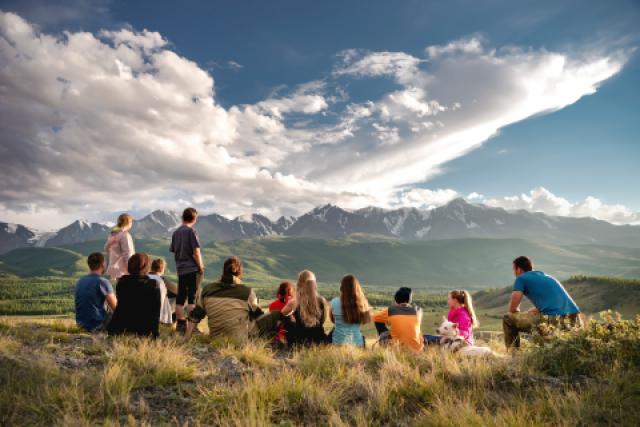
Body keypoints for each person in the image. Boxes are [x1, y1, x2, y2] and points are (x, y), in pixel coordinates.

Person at [186, 257, 283, 340]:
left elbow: (195, 316)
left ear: (223, 271)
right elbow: (258, 314)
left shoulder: (207, 290)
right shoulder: (247, 292)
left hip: (216, 338)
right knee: (277, 315)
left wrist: (186, 339)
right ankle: (262, 344)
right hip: (241, 338)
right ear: (240, 273)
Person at [503, 256, 582, 349]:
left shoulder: (521, 278)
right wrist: (528, 313)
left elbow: (513, 309)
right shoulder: (547, 277)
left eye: (514, 270)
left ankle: (513, 356)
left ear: (519, 270)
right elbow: (549, 306)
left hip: (554, 320)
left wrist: (519, 316)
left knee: (508, 318)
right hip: (576, 321)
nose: (514, 273)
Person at [107, 253, 162, 338]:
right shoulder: (153, 284)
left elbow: (120, 308)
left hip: (121, 329)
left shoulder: (122, 282)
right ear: (146, 267)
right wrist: (154, 334)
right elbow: (155, 312)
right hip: (145, 330)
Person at [170, 207, 205, 334]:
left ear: (182, 217)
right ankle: (191, 327)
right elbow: (196, 251)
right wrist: (200, 266)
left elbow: (174, 253)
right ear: (194, 219)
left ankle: (180, 325)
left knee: (180, 297)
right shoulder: (191, 232)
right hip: (193, 268)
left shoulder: (176, 233)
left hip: (181, 269)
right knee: (193, 297)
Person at [280, 271, 328, 347]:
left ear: (299, 284)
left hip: (301, 341)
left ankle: (289, 343)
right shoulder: (322, 301)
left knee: (288, 318)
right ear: (313, 284)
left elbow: (281, 315)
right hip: (319, 340)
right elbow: (322, 321)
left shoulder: (294, 302)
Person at [372, 287, 423, 353]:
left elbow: (374, 317)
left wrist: (388, 320)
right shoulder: (418, 310)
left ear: (396, 300)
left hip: (396, 350)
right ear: (410, 301)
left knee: (378, 321)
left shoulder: (391, 310)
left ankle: (387, 346)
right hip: (417, 351)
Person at [74, 252, 117, 332]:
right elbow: (116, 308)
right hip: (97, 326)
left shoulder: (80, 280)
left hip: (81, 325)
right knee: (116, 301)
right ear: (102, 265)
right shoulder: (103, 282)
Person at [327, 275, 371, 347]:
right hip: (358, 344)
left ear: (342, 287)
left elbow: (333, 320)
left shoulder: (334, 302)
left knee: (335, 328)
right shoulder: (362, 303)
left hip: (337, 343)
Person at [104, 213, 135, 281]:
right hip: (124, 268)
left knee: (120, 288)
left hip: (114, 267)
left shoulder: (112, 235)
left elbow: (106, 248)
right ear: (128, 223)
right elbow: (127, 253)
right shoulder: (124, 235)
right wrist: (132, 268)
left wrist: (113, 255)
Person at [148, 259, 176, 326]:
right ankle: (170, 322)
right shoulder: (162, 281)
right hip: (158, 313)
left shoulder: (144, 277)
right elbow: (178, 291)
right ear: (161, 270)